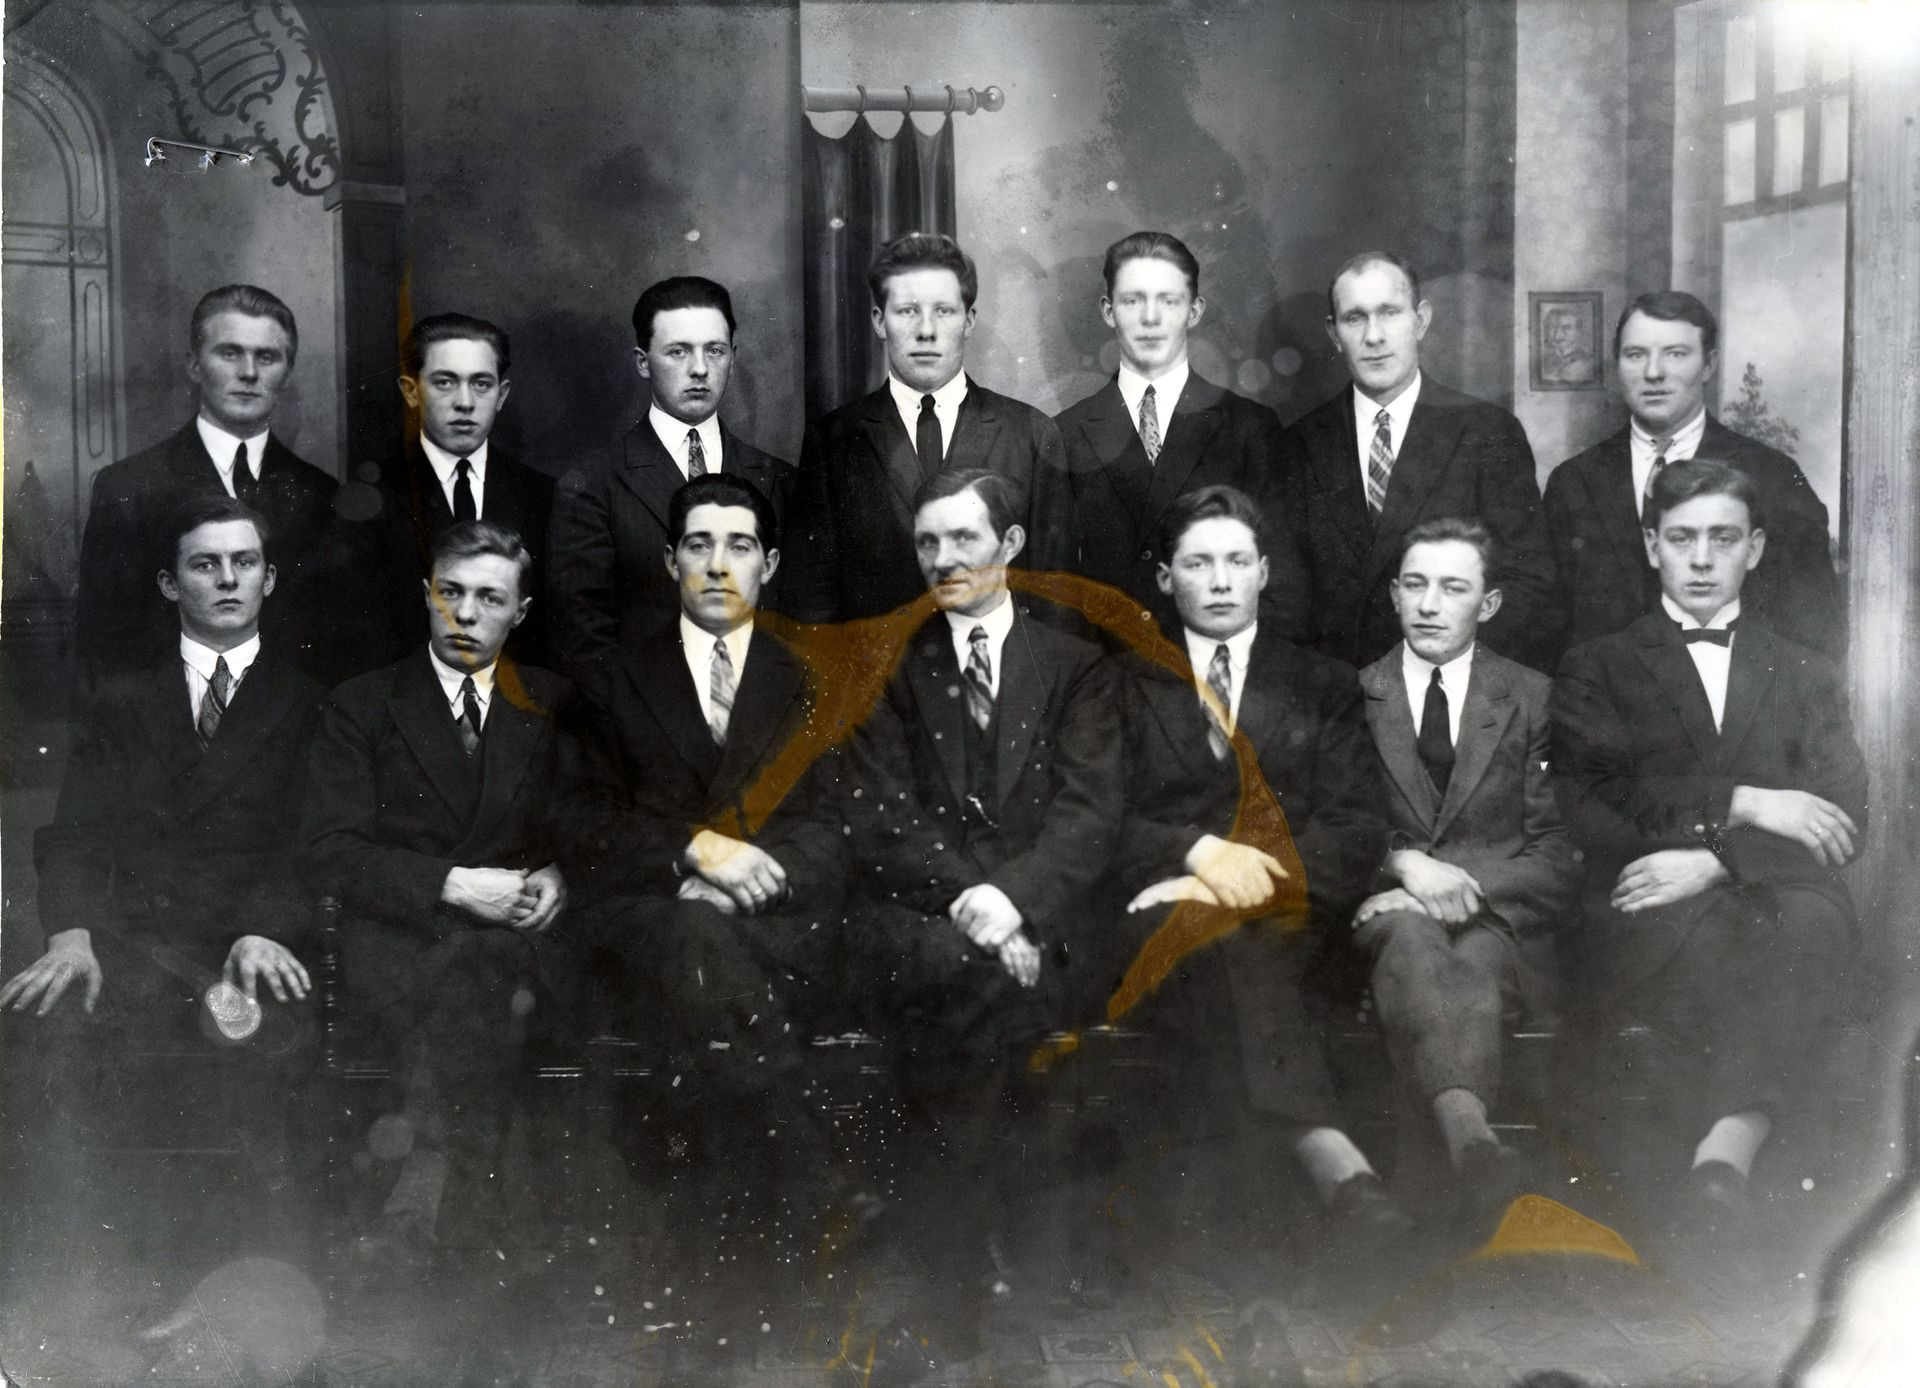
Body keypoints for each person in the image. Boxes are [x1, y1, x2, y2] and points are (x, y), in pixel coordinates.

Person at [2, 492, 326, 1329]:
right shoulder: (121, 699)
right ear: (169, 584)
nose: (228, 580)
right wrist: (71, 933)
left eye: (244, 563)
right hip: (133, 946)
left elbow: (316, 846)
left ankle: (237, 1292)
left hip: (251, 948)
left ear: (270, 578)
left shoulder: (311, 704)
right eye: (205, 564)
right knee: (53, 1028)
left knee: (249, 1047)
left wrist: (266, 927)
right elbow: (73, 833)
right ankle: (91, 1291)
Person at [839, 467, 1120, 1369]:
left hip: (1048, 923)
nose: (944, 558)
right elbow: (881, 817)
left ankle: (967, 1291)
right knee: (969, 995)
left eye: (964, 538)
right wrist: (980, 909)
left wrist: (1015, 902)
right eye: (927, 541)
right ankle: (999, 1299)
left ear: (1011, 545)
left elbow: (1089, 815)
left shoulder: (1074, 667)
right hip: (930, 921)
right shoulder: (886, 665)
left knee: (1000, 1024)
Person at [1551, 459, 1866, 1249]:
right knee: (1715, 942)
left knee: (1808, 928)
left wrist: (1720, 859)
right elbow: (1596, 806)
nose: (1701, 559)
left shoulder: (1806, 672)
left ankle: (1724, 1153)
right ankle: (1711, 1173)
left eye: (1723, 539)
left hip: (1774, 896)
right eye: (1682, 538)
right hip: (1647, 897)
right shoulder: (1598, 664)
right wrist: (1746, 802)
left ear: (1754, 549)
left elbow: (1844, 817)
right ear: (1651, 545)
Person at [561, 472, 869, 1278]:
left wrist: (755, 878)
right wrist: (693, 850)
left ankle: (725, 1245)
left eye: (739, 546)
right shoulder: (611, 679)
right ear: (670, 562)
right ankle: (812, 1179)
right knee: (692, 937)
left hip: (775, 922)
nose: (718, 564)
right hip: (645, 922)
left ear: (770, 563)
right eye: (698, 545)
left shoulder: (813, 681)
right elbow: (581, 822)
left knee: (709, 950)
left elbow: (837, 826)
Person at [1106, 485, 1399, 1246]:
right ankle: (1331, 1163)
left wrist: (1239, 881)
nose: (1221, 581)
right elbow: (1097, 820)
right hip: (1158, 924)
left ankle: (1231, 1236)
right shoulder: (1121, 683)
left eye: (1238, 562)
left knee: (1229, 940)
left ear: (1265, 572)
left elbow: (1355, 827)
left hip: (1294, 926)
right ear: (1165, 578)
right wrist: (1196, 854)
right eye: (1198, 563)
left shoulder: (1321, 682)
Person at [302, 520, 578, 1264]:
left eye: (490, 598)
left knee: (488, 971)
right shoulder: (363, 704)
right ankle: (477, 1213)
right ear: (426, 596)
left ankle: (429, 1191)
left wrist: (562, 873)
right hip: (400, 938)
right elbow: (328, 852)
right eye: (450, 593)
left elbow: (593, 825)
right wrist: (451, 884)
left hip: (522, 943)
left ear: (520, 612)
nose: (466, 614)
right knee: (473, 978)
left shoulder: (556, 703)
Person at [1352, 517, 1580, 1233]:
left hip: (1499, 926)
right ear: (1393, 594)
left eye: (1453, 588)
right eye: (1415, 585)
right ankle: (1476, 1151)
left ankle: (1421, 1217)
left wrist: (1452, 884)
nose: (1429, 604)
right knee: (1412, 940)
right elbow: (1333, 833)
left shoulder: (1533, 698)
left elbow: (1559, 851)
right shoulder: (1353, 696)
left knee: (1461, 959)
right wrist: (1402, 868)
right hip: (1386, 923)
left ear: (1490, 603)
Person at [1279, 252, 1558, 671]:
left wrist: (1447, 674)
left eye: (1390, 313)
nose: (1374, 336)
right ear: (1334, 334)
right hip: (1333, 693)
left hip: (1448, 688)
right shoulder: (1298, 444)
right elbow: (1286, 592)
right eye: (1355, 318)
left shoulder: (1487, 432)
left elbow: (1528, 580)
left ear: (1421, 320)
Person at [784, 233, 1071, 624]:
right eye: (907, 311)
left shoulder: (1031, 433)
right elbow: (813, 606)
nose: (926, 331)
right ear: (879, 321)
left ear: (968, 321)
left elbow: (1055, 600)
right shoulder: (833, 439)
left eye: (944, 311)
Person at [1543, 290, 1842, 661]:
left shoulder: (1773, 476)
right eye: (1636, 354)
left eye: (1675, 354)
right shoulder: (1573, 482)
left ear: (1709, 365)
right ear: (1618, 364)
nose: (1653, 373)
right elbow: (1548, 633)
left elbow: (1816, 632)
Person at [75, 285, 341, 683]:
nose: (248, 373)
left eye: (266, 357)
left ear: (286, 373)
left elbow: (333, 646)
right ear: (195, 366)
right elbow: (103, 648)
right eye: (230, 353)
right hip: (166, 716)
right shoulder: (128, 487)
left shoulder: (321, 493)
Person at [1051, 230, 1309, 638]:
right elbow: (1055, 596)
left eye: (1168, 300)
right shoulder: (1065, 434)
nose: (1150, 318)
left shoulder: (1249, 428)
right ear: (1108, 311)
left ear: (1194, 310)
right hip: (1107, 667)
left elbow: (1281, 582)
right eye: (1133, 300)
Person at [547, 276, 793, 700]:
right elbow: (582, 637)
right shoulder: (593, 483)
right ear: (643, 362)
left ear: (733, 357)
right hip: (641, 722)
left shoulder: (778, 478)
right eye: (678, 351)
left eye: (714, 350)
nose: (699, 369)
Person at [365, 313, 555, 668]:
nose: (465, 402)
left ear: (501, 395)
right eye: (445, 382)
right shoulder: (373, 496)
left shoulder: (544, 496)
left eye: (481, 384)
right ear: (411, 391)